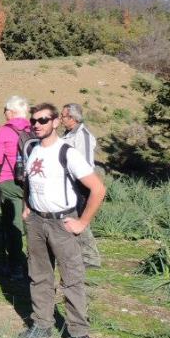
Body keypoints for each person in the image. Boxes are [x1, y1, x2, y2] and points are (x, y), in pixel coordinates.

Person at [20, 103, 106, 338]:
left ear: (55, 122)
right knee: (39, 275)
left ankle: (79, 333)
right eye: (34, 120)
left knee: (72, 279)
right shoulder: (32, 149)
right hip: (36, 221)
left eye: (43, 120)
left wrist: (82, 222)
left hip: (62, 223)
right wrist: (27, 207)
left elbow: (98, 189)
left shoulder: (67, 152)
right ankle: (42, 324)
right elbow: (29, 181)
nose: (37, 124)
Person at [0, 95, 31, 280]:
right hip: (32, 183)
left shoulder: (4, 131)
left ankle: (15, 268)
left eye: (5, 109)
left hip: (9, 181)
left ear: (12, 112)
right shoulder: (34, 128)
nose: (4, 113)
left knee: (13, 225)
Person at [61, 103, 102, 269]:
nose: (61, 119)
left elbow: (84, 163)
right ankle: (78, 254)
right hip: (71, 183)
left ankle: (91, 258)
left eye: (63, 116)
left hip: (81, 183)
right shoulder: (69, 134)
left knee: (81, 219)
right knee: (73, 217)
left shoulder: (82, 135)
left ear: (72, 118)